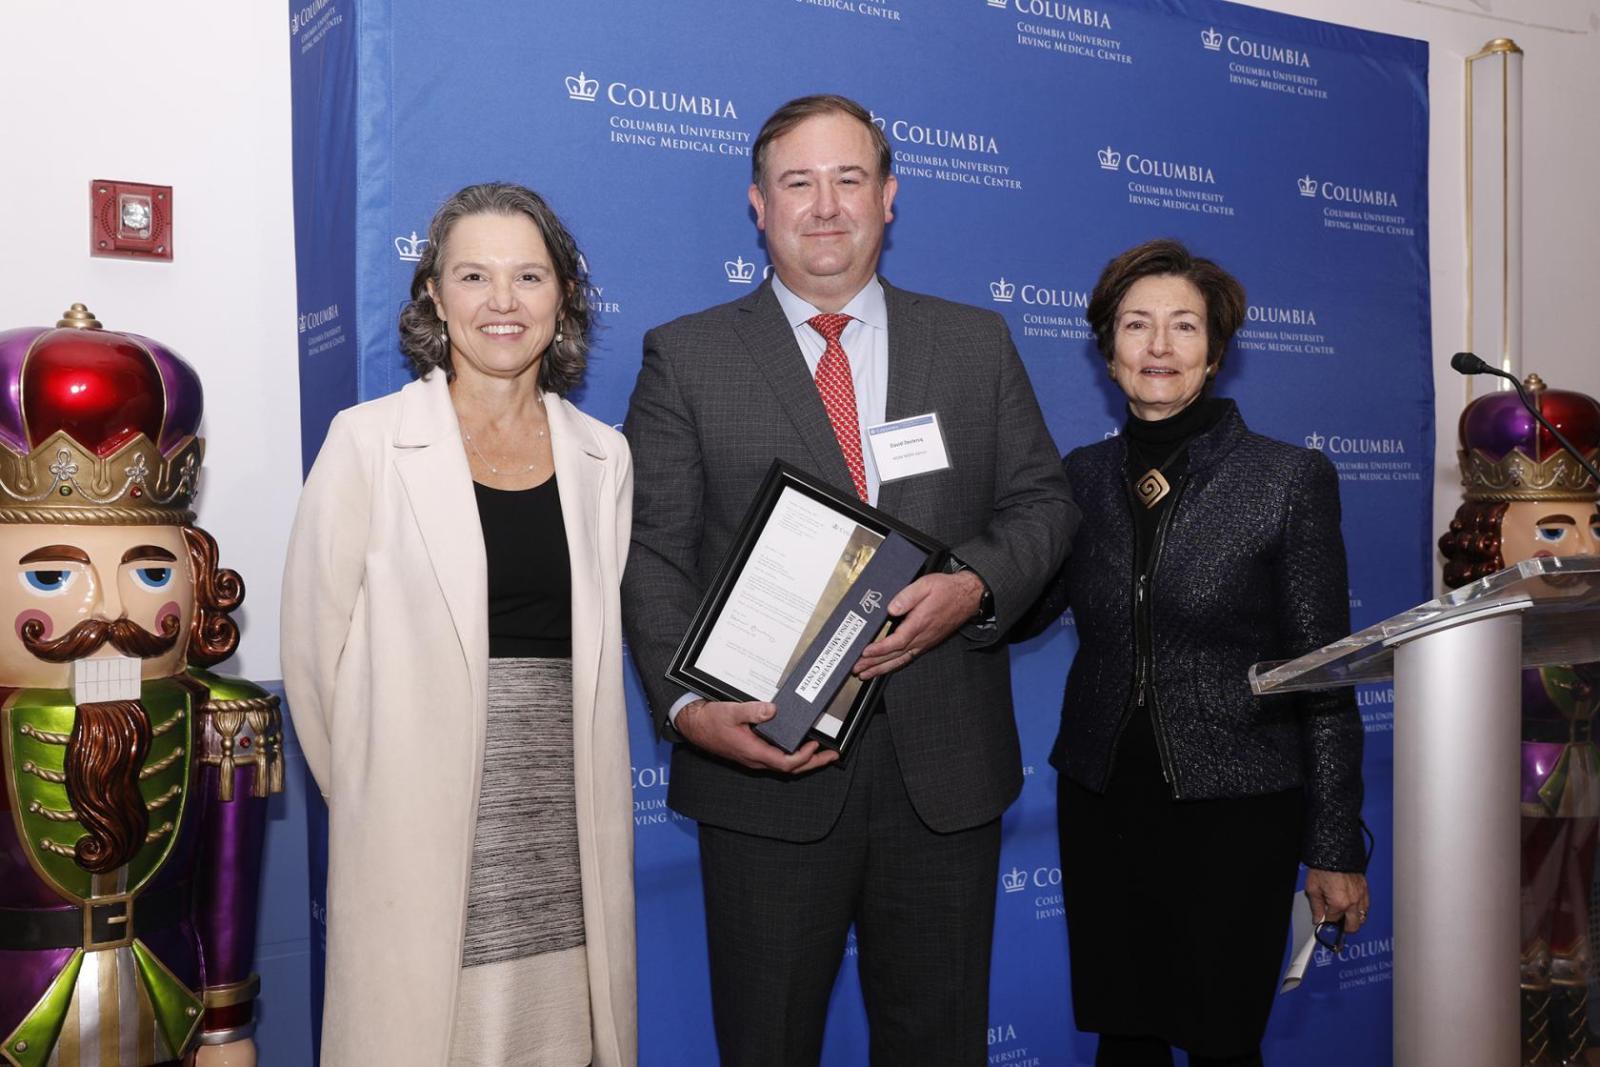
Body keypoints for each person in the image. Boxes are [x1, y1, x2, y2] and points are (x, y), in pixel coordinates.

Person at [621, 94, 1077, 1065]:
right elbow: (652, 553)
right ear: (756, 203)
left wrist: (973, 585)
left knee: (938, 1044)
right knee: (768, 1040)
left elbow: (1044, 505)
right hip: (763, 767)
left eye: (848, 178)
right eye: (797, 182)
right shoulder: (686, 356)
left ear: (889, 197)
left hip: (943, 770)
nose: (824, 205)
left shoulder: (974, 342)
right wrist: (686, 708)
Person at [282, 183, 637, 1066]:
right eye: (474, 275)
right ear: (435, 296)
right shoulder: (366, 443)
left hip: (564, 843)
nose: (503, 302)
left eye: (529, 275)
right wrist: (388, 795)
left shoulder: (604, 458)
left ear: (563, 297)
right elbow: (313, 663)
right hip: (418, 841)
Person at [1017, 239, 1369, 1067]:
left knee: (1221, 1041)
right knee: (1123, 1035)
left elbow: (1324, 673)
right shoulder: (1080, 476)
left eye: (1183, 326)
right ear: (1108, 350)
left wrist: (1333, 843)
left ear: (1216, 352)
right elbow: (1027, 611)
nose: (1159, 347)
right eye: (1136, 326)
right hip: (1103, 797)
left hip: (1238, 807)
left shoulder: (1287, 478)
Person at [0, 304, 281, 1067]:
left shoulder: (228, 720)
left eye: (149, 571)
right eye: (54, 574)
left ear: (196, 576)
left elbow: (228, 892)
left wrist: (227, 1024)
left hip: (167, 1003)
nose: (112, 612)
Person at [1438, 372, 1600, 1065]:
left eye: (1596, 525)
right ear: (1490, 538)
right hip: (1512, 781)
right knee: (1519, 931)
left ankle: (1570, 1046)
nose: (1586, 548)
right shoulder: (1473, 632)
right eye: (1557, 529)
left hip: (1585, 778)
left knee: (1575, 926)